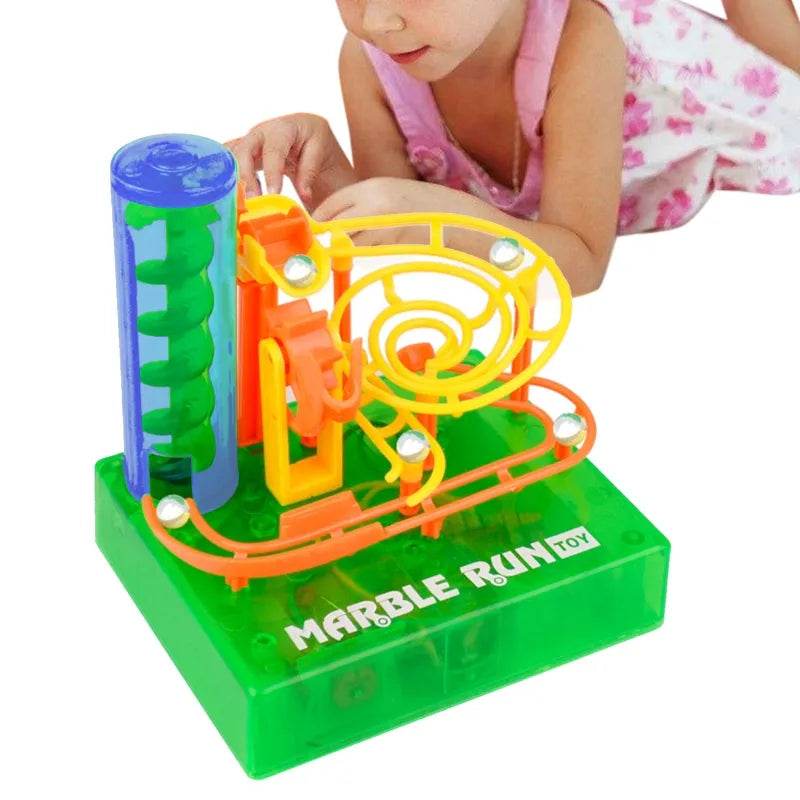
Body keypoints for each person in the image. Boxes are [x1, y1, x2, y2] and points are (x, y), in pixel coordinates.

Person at [227, 0, 800, 295]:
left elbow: (581, 263)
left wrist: (434, 215)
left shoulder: (582, 44)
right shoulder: (371, 60)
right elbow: (393, 236)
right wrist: (323, 165)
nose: (376, 20)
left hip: (707, 83)